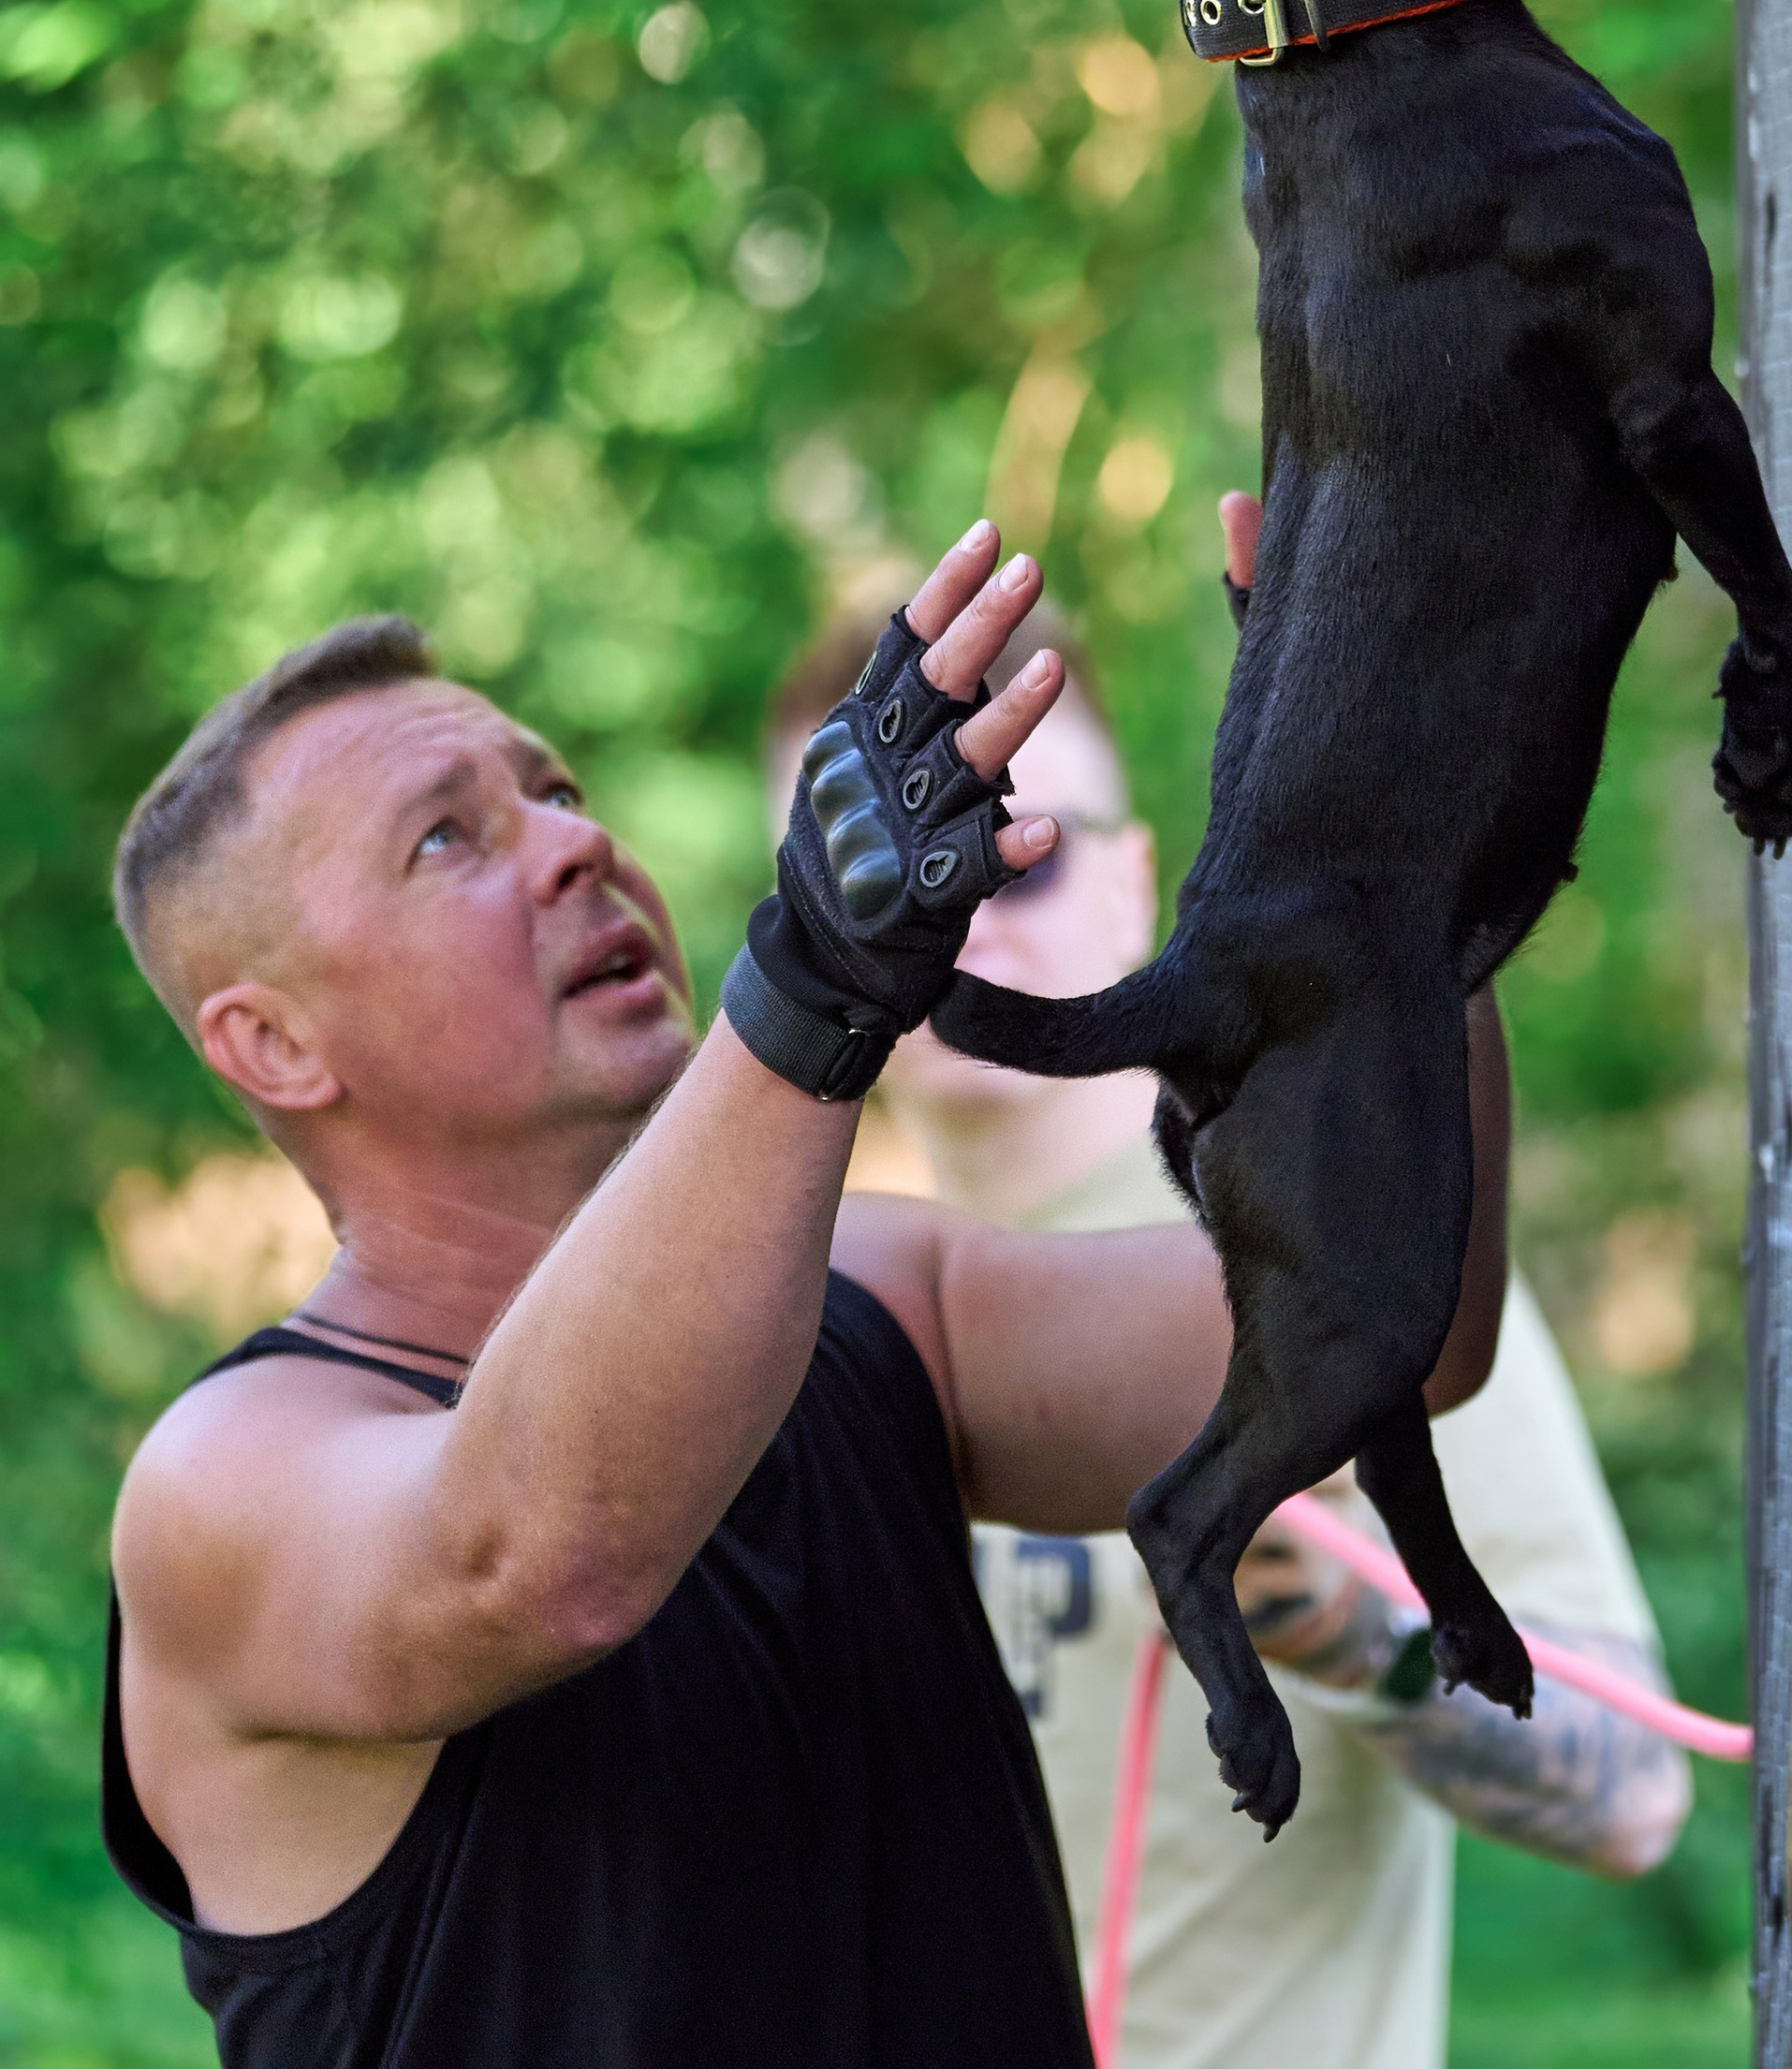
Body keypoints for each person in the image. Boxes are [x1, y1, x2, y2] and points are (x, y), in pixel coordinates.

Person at [99, 519, 1515, 2069]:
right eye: (447, 838)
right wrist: (814, 988)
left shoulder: (885, 1291)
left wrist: (1384, 798)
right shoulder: (219, 1491)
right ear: (275, 1047)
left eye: (557, 791)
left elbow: (1394, 1325)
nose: (576, 844)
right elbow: (534, 1556)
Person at [769, 497, 1691, 2069]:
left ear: (1138, 885)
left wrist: (1348, 1629)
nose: (973, 910)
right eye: (911, 864)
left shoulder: (1337, 1229)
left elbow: (1634, 1789)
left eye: (1030, 855)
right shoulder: (777, 1310)